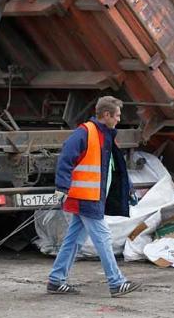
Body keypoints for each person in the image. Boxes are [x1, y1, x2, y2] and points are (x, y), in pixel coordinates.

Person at [46, 96, 141, 298]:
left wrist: (128, 188)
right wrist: (61, 187)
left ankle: (56, 279)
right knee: (103, 238)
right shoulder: (86, 133)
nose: (119, 119)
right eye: (117, 115)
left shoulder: (104, 135)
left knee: (74, 241)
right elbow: (65, 159)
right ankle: (116, 282)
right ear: (106, 115)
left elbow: (114, 167)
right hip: (86, 197)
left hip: (90, 196)